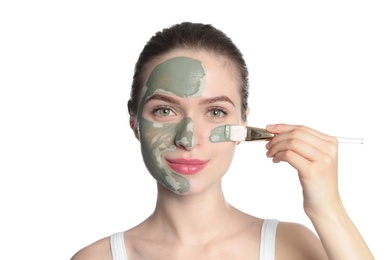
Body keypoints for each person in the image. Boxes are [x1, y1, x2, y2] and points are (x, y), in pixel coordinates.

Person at [71, 22, 373, 260]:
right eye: (164, 110)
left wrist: (328, 209)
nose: (188, 139)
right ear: (135, 122)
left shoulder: (290, 246)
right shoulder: (96, 257)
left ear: (243, 123)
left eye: (215, 112)